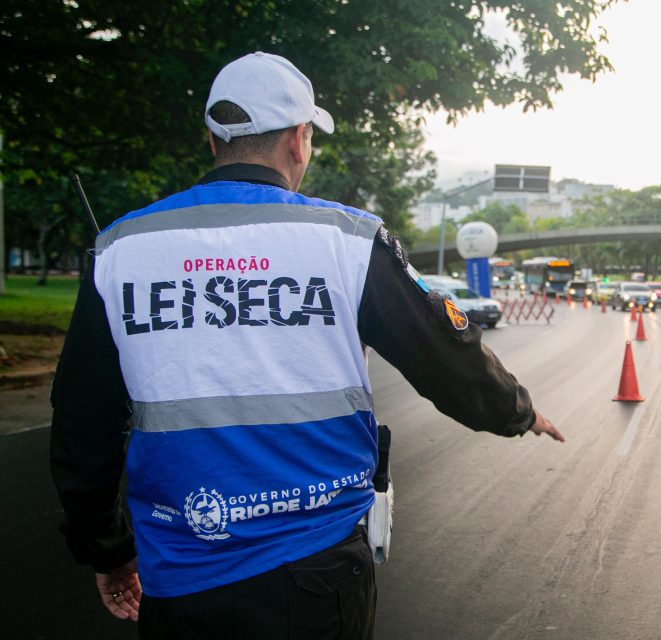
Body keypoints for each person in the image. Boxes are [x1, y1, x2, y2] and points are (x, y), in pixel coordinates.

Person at [50, 51, 564, 639]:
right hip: (317, 576)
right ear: (299, 139)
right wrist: (518, 412)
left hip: (180, 579)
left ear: (211, 139)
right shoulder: (346, 241)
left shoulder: (119, 250)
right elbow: (448, 359)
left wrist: (107, 548)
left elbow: (80, 422)